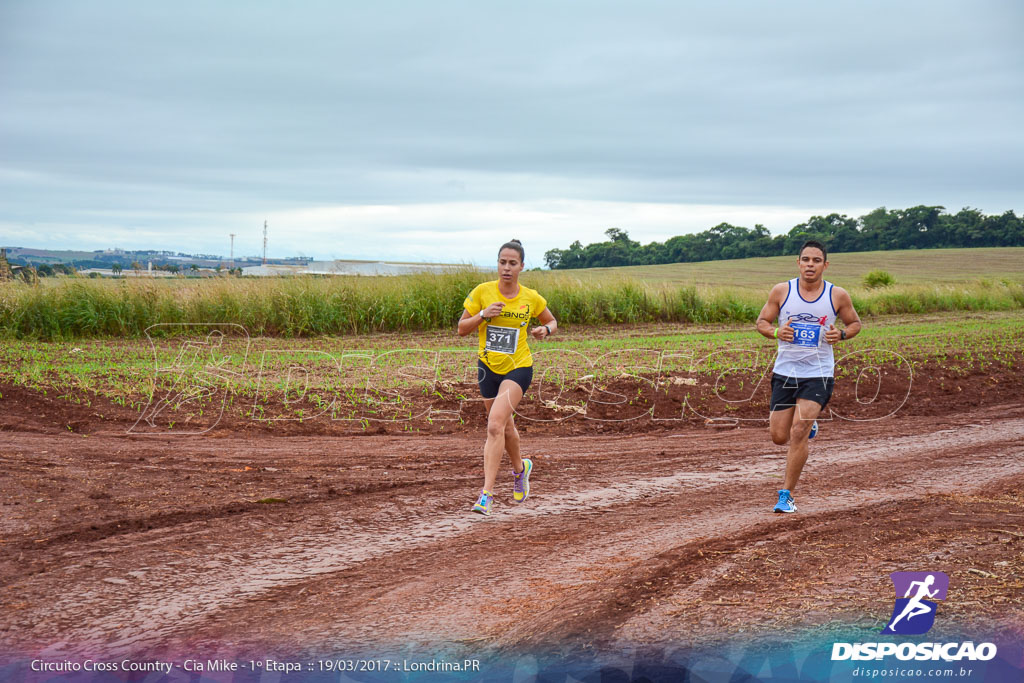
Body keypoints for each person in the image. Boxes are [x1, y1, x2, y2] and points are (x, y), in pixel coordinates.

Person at [755, 240, 861, 513]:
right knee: (779, 436)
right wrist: (777, 332)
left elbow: (855, 323)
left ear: (825, 265)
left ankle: (786, 495)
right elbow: (762, 322)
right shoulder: (782, 291)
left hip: (818, 373)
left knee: (798, 431)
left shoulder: (837, 295)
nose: (810, 265)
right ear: (798, 263)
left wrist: (843, 334)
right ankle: (809, 425)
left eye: (816, 260)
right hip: (785, 371)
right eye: (806, 260)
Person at [458, 239, 557, 516]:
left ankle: (486, 495)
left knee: (494, 425)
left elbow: (551, 320)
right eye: (502, 262)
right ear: (498, 263)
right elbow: (461, 329)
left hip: (518, 368)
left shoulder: (531, 297)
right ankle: (520, 469)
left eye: (513, 263)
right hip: (488, 369)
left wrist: (545, 331)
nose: (506, 268)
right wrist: (482, 315)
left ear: (522, 267)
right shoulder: (482, 292)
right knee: (506, 428)